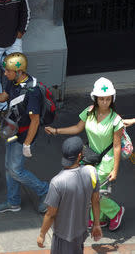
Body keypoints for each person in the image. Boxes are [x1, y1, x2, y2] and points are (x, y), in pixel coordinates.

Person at [45, 77, 125, 231]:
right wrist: (56, 131)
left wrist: (115, 169)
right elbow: (77, 128)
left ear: (112, 99)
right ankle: (99, 218)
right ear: (95, 98)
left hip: (106, 160)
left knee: (91, 191)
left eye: (108, 99)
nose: (104, 102)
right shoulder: (88, 112)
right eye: (101, 99)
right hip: (91, 157)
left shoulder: (116, 121)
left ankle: (116, 211)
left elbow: (116, 146)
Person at [0, 52, 48, 213]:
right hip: (13, 132)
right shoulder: (12, 82)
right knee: (8, 167)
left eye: (8, 71)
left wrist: (27, 144)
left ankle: (45, 191)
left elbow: (35, 120)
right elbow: (2, 97)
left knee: (16, 170)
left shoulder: (32, 92)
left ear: (19, 72)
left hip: (24, 136)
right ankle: (13, 202)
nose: (5, 74)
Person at [37, 136, 102, 253]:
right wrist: (96, 224)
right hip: (81, 232)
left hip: (63, 237)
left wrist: (42, 234)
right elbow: (95, 201)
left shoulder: (57, 182)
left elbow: (50, 214)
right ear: (79, 156)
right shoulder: (91, 172)